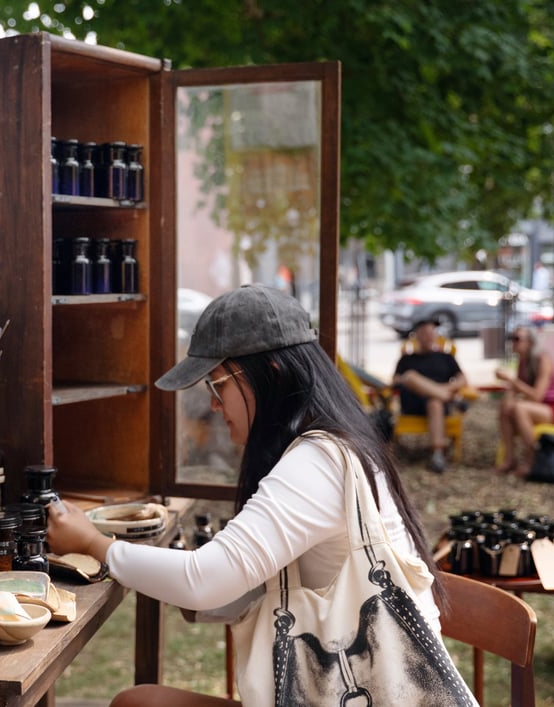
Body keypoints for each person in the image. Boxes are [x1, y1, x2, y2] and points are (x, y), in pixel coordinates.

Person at [46, 284, 448, 707]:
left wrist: (94, 544)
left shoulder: (318, 463)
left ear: (271, 374)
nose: (214, 406)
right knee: (139, 702)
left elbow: (202, 580)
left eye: (217, 386)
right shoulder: (337, 444)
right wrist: (201, 600)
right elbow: (246, 583)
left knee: (136, 704)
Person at [495, 325, 554, 478]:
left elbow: (537, 396)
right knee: (506, 407)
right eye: (512, 338)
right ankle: (510, 458)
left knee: (519, 408)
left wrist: (511, 380)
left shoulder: (543, 360)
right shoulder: (523, 362)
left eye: (517, 339)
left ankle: (531, 460)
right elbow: (514, 393)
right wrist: (508, 401)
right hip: (543, 407)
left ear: (530, 342)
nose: (513, 342)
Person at [392, 318, 470, 474]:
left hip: (438, 404)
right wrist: (414, 382)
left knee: (435, 402)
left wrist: (445, 387)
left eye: (431, 333)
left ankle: (437, 455)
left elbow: (463, 380)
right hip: (412, 402)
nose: (428, 336)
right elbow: (395, 380)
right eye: (424, 333)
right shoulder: (407, 359)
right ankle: (452, 399)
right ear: (417, 337)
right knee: (410, 376)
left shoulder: (446, 358)